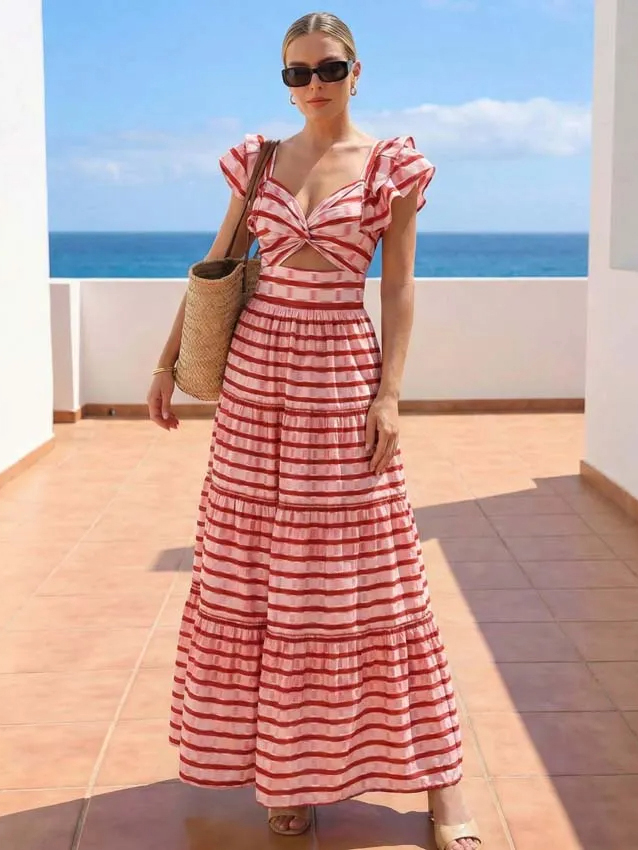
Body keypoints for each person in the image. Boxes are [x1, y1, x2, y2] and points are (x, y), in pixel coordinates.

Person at [147, 11, 481, 850]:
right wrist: (164, 362)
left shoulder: (391, 166)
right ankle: (288, 774)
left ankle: (444, 789)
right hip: (255, 382)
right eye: (297, 72)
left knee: (376, 571)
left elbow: (398, 288)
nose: (313, 85)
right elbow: (216, 266)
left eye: (329, 68)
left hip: (340, 372)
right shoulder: (258, 158)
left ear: (357, 72)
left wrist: (390, 394)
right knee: (260, 578)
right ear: (285, 82)